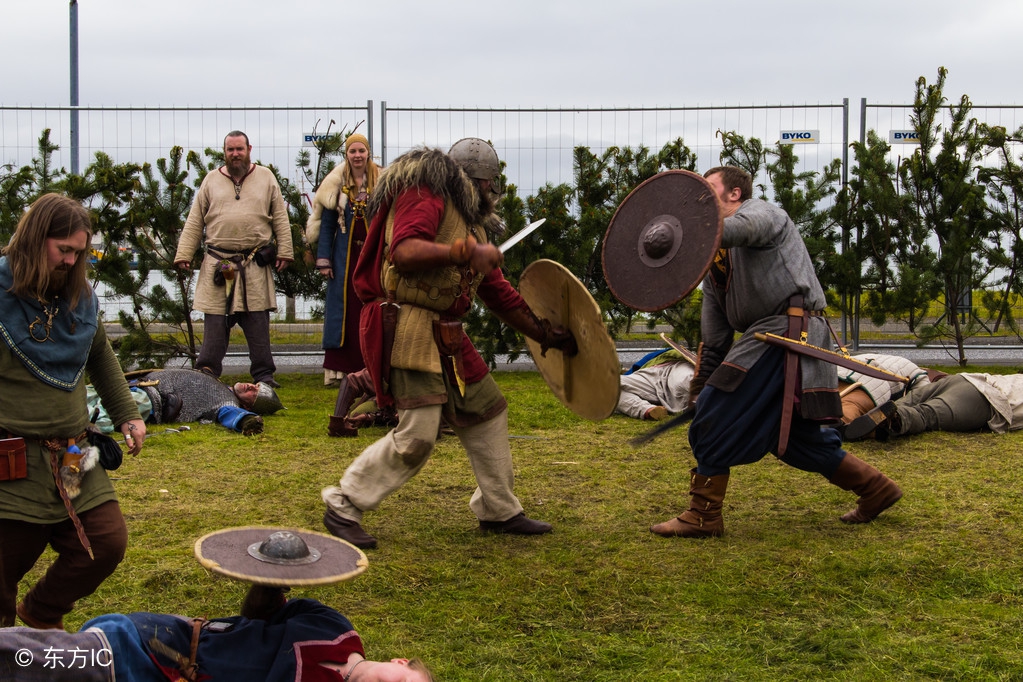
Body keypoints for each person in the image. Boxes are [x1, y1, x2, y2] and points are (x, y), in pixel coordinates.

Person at [321, 138, 578, 549]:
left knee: (487, 412)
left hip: (448, 331)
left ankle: (499, 508)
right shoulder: (424, 190)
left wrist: (545, 333)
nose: (492, 194)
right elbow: (403, 251)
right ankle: (343, 503)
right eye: (490, 185)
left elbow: (498, 293)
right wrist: (462, 251)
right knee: (419, 433)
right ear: (476, 181)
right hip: (407, 324)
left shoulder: (469, 222)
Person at [650, 166, 901, 539]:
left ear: (735, 194)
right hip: (770, 338)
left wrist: (684, 233)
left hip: (787, 331)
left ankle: (703, 516)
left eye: (709, 189)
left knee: (715, 418)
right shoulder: (713, 264)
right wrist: (702, 385)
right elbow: (716, 336)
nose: (700, 197)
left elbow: (739, 230)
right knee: (798, 440)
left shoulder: (763, 213)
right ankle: (876, 488)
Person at [1, 527, 434, 681]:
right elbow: (260, 615)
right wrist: (270, 579)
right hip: (158, 648)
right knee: (33, 660)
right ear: (400, 662)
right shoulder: (336, 628)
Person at [0, 194, 147, 630]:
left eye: (78, 253)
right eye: (63, 249)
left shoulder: (78, 296)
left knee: (105, 541)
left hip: (72, 453)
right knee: (4, 566)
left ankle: (43, 613)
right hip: (12, 458)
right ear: (33, 239)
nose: (70, 261)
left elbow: (99, 354)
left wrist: (127, 414)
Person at [174, 130, 295, 388]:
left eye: (240, 149)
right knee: (216, 323)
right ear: (224, 152)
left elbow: (280, 218)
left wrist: (285, 250)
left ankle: (264, 376)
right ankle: (207, 373)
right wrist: (184, 253)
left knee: (257, 323)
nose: (235, 154)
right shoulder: (210, 180)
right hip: (220, 264)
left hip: (253, 265)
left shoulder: (266, 178)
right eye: (230, 150)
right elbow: (195, 219)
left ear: (249, 149)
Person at [305, 132, 382, 390]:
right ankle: (340, 372)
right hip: (344, 258)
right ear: (346, 155)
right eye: (353, 151)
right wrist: (324, 259)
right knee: (344, 313)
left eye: (361, 151)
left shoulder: (382, 181)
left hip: (373, 258)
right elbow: (327, 226)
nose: (357, 156)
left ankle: (373, 369)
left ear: (368, 152)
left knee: (372, 310)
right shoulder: (336, 184)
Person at [87, 369, 286, 436]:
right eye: (255, 385)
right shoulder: (219, 383)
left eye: (254, 393)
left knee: (101, 413)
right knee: (81, 394)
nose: (251, 386)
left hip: (149, 400)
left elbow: (230, 414)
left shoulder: (226, 402)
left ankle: (75, 426)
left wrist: (246, 421)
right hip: (134, 386)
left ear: (249, 406)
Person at [844, 371, 1023, 441]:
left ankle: (856, 425)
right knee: (926, 415)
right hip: (985, 398)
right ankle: (888, 422)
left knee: (904, 402)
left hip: (964, 379)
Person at [836, 352, 931, 425]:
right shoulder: (917, 373)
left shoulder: (869, 356)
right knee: (852, 406)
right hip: (869, 381)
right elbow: (923, 392)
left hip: (838, 374)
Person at [616, 348, 695, 421]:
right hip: (649, 377)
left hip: (672, 367)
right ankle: (648, 410)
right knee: (611, 388)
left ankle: (704, 400)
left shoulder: (671, 354)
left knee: (685, 380)